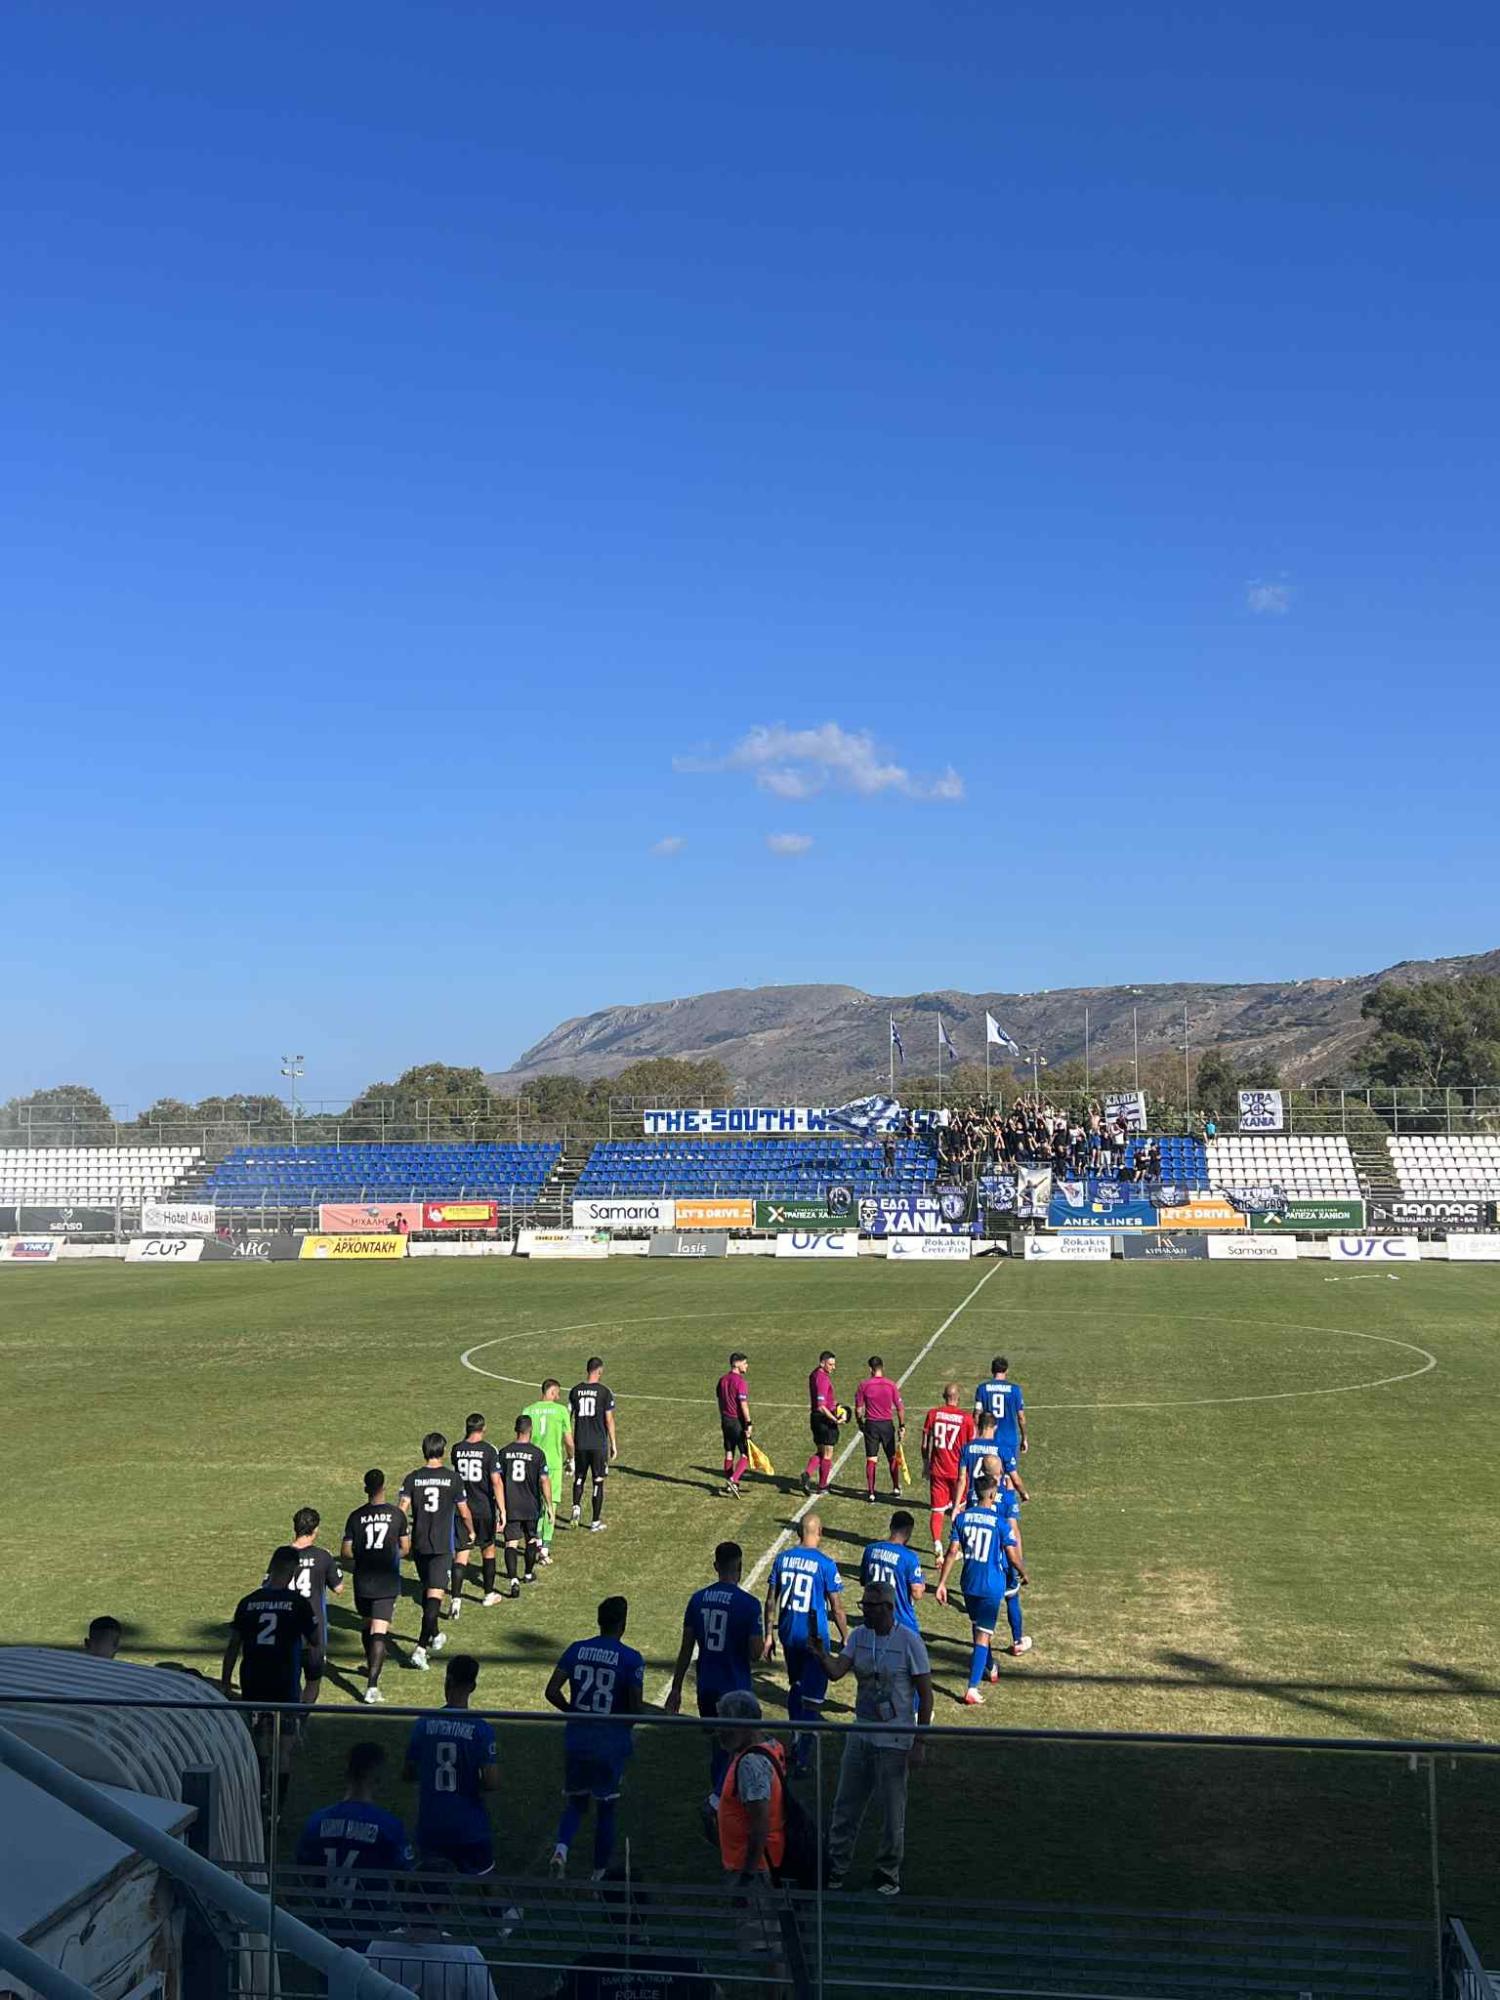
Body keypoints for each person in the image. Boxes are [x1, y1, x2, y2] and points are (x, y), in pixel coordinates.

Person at [809, 1579, 932, 1896]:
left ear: (888, 1608)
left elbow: (926, 1694)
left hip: (895, 1740)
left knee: (892, 1812)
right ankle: (836, 1867)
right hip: (861, 1733)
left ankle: (888, 1874)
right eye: (863, 1605)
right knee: (845, 1805)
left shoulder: (909, 1642)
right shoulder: (859, 1637)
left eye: (870, 1606)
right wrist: (821, 1655)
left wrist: (920, 1742)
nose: (864, 1611)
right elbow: (837, 1671)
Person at [663, 1541, 765, 1831]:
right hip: (735, 1690)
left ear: (716, 1566)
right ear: (740, 1567)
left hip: (706, 1686)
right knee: (741, 1748)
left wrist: (676, 1688)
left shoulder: (697, 1600)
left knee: (718, 1746)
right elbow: (755, 1652)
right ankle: (718, 1801)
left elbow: (686, 1648)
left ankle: (721, 1801)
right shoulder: (748, 1604)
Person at [545, 1595, 645, 1880]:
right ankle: (599, 1872)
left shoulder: (577, 1649)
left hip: (577, 1738)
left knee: (576, 1802)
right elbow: (635, 1707)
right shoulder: (630, 1658)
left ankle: (561, 1850)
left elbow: (551, 1691)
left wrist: (573, 1712)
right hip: (609, 1741)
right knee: (606, 1808)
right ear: (623, 1624)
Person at [293, 1740, 414, 1946]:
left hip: (323, 1934)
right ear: (377, 1777)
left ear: (347, 1774)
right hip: (368, 1933)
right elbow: (406, 1880)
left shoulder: (317, 1822)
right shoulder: (389, 1827)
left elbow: (300, 1875)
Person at [713, 1689, 791, 1973]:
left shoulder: (750, 1763)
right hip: (765, 1862)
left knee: (764, 1948)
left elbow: (759, 1825)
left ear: (746, 1724)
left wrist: (746, 1877)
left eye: (727, 1723)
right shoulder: (769, 1747)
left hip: (757, 1869)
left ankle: (775, 1991)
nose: (720, 1730)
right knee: (770, 1943)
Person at [935, 1474, 1030, 1704]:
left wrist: (942, 1583)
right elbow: (1011, 1555)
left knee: (978, 1627)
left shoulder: (962, 1518)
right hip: (991, 1585)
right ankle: (972, 1687)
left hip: (968, 1583)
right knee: (982, 1635)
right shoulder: (999, 1523)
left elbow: (952, 1552)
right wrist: (1023, 1572)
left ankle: (989, 1666)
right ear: (993, 1494)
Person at [403, 1652, 499, 1876]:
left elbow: (408, 1772)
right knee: (486, 1884)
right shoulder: (481, 1729)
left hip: (432, 1822)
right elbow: (492, 1782)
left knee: (431, 1886)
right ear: (473, 1687)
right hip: (469, 1825)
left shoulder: (423, 1724)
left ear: (448, 1681)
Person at [764, 1514, 847, 1772]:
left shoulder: (782, 1559)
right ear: (820, 1531)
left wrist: (768, 1634)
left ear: (799, 1532)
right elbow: (836, 1607)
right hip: (814, 1638)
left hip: (789, 1633)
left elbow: (770, 1599)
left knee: (797, 1685)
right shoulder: (825, 1564)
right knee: (813, 1699)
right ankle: (801, 1757)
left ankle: (795, 1738)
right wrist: (846, 1636)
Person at [400, 1433, 474, 1671]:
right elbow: (464, 1511)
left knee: (427, 1591)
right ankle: (421, 1649)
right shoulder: (453, 1479)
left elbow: (401, 1510)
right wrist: (471, 1531)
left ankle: (435, 1634)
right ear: (442, 1451)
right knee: (434, 1598)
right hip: (442, 1546)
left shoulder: (412, 1478)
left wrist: (399, 1535)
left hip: (420, 1545)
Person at [343, 1469, 412, 1704]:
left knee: (367, 1625)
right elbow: (405, 1548)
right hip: (386, 1580)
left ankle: (370, 1664)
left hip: (363, 1579)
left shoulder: (355, 1517)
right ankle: (372, 1686)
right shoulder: (396, 1515)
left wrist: (363, 1558)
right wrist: (390, 1557)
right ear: (384, 1487)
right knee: (379, 1631)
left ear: (366, 1489)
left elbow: (346, 1552)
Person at [221, 1546, 319, 1707]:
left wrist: (225, 1682)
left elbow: (233, 1645)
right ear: (293, 1570)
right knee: (286, 1720)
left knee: (253, 1718)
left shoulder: (247, 1602)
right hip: (285, 1679)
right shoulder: (298, 1603)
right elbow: (315, 1639)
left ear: (271, 1566)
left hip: (253, 1678)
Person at [283, 1507, 345, 1704]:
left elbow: (268, 1586)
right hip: (314, 1629)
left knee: (289, 1679)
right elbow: (339, 1588)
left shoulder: (283, 1556)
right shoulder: (323, 1556)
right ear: (315, 1529)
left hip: (287, 1626)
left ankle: (290, 1715)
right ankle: (301, 1717)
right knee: (313, 1680)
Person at [450, 1415, 504, 1610]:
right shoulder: (489, 1450)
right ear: (483, 1428)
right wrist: (502, 1510)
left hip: (462, 1508)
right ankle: (488, 1594)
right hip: (483, 1508)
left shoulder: (457, 1449)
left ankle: (456, 1599)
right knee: (488, 1550)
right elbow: (496, 1482)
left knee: (462, 1554)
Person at [498, 1414, 551, 1595]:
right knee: (531, 1540)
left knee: (511, 1543)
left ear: (516, 1429)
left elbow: (497, 1481)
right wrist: (550, 1506)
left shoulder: (504, 1453)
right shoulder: (537, 1454)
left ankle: (513, 1579)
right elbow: (544, 1480)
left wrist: (499, 1507)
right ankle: (528, 1574)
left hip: (511, 1505)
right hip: (531, 1505)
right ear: (531, 1431)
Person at [921, 1384, 976, 1558]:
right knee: (959, 1508)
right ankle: (955, 1546)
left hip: (938, 1470)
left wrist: (926, 1463)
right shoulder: (966, 1419)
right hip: (959, 1471)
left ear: (943, 1396)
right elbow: (971, 1446)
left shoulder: (933, 1414)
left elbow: (925, 1444)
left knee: (937, 1510)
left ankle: (937, 1545)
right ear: (958, 1397)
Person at [522, 1380, 573, 1561]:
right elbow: (569, 1441)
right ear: (551, 1392)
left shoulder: (528, 1410)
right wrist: (571, 1458)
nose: (558, 1397)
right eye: (557, 1393)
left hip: (531, 1462)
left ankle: (534, 1540)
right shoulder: (561, 1411)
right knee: (551, 1503)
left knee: (536, 1501)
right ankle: (544, 1547)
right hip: (552, 1464)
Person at [568, 1358, 617, 1532]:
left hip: (580, 1443)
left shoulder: (575, 1391)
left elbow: (568, 1417)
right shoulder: (604, 1392)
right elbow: (609, 1420)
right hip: (598, 1444)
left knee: (579, 1477)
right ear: (599, 1371)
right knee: (598, 1481)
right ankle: (595, 1522)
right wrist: (613, 1443)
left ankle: (576, 1506)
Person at [973, 1355, 1029, 1501]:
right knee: (1009, 1474)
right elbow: (1021, 1417)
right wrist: (1024, 1438)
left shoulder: (982, 1389)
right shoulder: (1015, 1390)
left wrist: (977, 1434)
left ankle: (988, 1501)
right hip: (1009, 1439)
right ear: (1006, 1371)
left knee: (989, 1471)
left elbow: (977, 1414)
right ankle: (1008, 1504)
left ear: (992, 1370)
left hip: (989, 1438)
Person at [859, 1512, 925, 1636]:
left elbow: (864, 1581)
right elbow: (917, 1594)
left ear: (891, 1526)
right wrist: (923, 1584)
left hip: (874, 1620)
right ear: (909, 1531)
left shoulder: (870, 1550)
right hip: (901, 1622)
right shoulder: (910, 1558)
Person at [855, 1356, 905, 1503]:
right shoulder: (891, 1385)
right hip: (887, 1425)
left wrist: (860, 1423)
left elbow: (858, 1409)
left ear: (870, 1369)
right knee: (891, 1457)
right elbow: (900, 1407)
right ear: (882, 1368)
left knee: (871, 1458)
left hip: (871, 1425)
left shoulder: (864, 1385)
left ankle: (871, 1492)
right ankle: (896, 1487)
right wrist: (902, 1426)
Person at [801, 1349, 840, 1497]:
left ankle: (807, 1473)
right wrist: (834, 1419)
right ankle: (822, 1486)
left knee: (821, 1451)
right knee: (828, 1453)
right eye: (830, 1364)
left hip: (815, 1419)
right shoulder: (822, 1379)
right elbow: (821, 1406)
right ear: (822, 1363)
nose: (833, 1367)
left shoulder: (814, 1374)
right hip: (824, 1419)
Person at [715, 1353, 752, 1498]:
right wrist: (748, 1423)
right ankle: (733, 1480)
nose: (747, 1366)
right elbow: (743, 1404)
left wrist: (723, 1416)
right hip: (737, 1422)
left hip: (725, 1420)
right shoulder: (740, 1382)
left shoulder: (722, 1380)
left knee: (729, 1452)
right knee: (746, 1454)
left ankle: (731, 1486)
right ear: (737, 1364)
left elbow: (720, 1401)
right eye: (745, 1363)